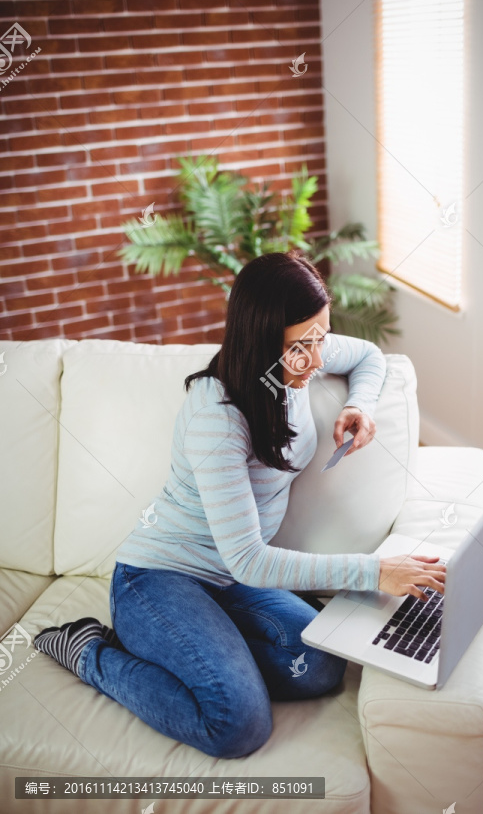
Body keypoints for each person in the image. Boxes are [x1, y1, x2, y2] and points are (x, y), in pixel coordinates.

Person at [34, 250, 445, 758]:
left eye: (322, 337)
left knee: (321, 667)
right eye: (302, 347)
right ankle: (91, 651)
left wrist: (360, 404)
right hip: (158, 578)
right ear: (261, 341)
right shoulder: (218, 415)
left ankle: (185, 650)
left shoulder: (298, 355)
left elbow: (369, 356)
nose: (317, 360)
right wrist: (376, 572)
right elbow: (249, 557)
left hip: (229, 581)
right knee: (239, 724)